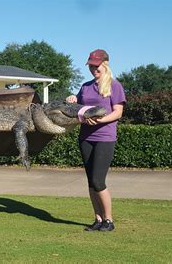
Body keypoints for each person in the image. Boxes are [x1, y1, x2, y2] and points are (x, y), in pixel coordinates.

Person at [65, 49, 126, 232]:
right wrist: (72, 99)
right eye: (91, 66)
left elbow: (118, 112)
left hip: (105, 138)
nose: (93, 69)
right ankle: (98, 219)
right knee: (91, 182)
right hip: (86, 138)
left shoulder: (115, 86)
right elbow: (78, 108)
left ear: (105, 63)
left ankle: (109, 220)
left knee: (99, 181)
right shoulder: (85, 86)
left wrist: (100, 120)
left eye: (96, 65)